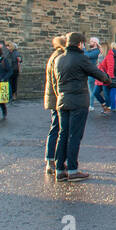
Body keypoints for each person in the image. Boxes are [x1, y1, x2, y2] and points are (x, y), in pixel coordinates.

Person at [51, 32, 112, 182]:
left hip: (62, 100)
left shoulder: (59, 59)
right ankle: (72, 170)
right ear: (79, 44)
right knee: (74, 136)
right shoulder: (81, 59)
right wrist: (107, 79)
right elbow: (98, 74)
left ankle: (59, 169)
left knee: (62, 134)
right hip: (78, 102)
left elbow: (54, 81)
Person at [43, 35, 67, 178]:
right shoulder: (59, 57)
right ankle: (52, 160)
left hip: (54, 98)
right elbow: (56, 81)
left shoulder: (55, 55)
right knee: (57, 129)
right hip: (57, 98)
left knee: (56, 128)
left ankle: (53, 160)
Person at [85, 38, 102, 112]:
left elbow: (86, 55)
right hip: (89, 72)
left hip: (92, 73)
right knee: (91, 90)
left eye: (91, 41)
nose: (90, 42)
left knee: (92, 90)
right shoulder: (92, 51)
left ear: (95, 43)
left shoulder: (96, 51)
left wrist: (82, 48)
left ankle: (91, 105)